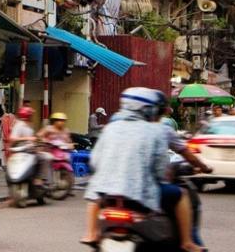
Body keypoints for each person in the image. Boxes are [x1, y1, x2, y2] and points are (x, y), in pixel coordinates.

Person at [80, 87, 199, 252]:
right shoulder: (155, 131)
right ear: (148, 109)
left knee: (94, 195)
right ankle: (187, 242)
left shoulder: (110, 128)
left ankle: (92, 233)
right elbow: (159, 168)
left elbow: (94, 161)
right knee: (181, 195)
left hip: (106, 193)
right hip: (140, 195)